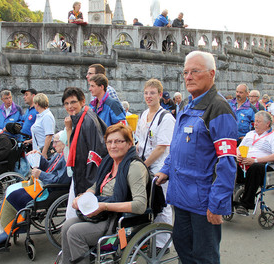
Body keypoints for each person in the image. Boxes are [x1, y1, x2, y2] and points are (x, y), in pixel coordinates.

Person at [156, 51, 238, 264]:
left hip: (204, 202)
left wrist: (217, 203)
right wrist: (166, 169)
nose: (188, 76)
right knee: (184, 250)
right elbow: (176, 146)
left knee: (204, 257)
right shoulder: (185, 104)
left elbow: (227, 160)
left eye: (195, 71)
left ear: (211, 74)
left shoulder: (219, 108)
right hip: (181, 197)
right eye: (185, 72)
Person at [61, 123, 149, 264]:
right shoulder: (109, 162)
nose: (113, 146)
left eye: (118, 141)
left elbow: (140, 205)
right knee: (67, 225)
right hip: (103, 214)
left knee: (74, 233)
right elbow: (97, 186)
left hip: (119, 221)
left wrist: (104, 206)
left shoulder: (134, 167)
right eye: (109, 142)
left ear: (129, 143)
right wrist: (84, 197)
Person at [0, 130, 71, 249]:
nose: (53, 145)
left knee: (14, 196)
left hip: (49, 190)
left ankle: (0, 235)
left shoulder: (67, 158)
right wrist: (39, 157)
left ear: (64, 143)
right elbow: (49, 167)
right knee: (11, 190)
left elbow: (59, 181)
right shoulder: (60, 154)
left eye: (56, 142)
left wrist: (40, 174)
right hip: (42, 185)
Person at [136, 78, 175, 253]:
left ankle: (163, 244)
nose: (149, 96)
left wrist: (144, 165)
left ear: (160, 95)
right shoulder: (144, 115)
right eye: (146, 93)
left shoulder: (165, 118)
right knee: (147, 203)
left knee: (162, 205)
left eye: (152, 93)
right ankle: (149, 237)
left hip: (159, 166)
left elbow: (161, 148)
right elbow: (140, 141)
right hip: (144, 164)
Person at [62, 87, 107, 219]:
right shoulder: (79, 118)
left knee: (74, 215)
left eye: (73, 102)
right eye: (66, 103)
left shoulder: (88, 121)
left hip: (86, 177)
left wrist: (90, 184)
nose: (70, 106)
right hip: (80, 173)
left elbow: (96, 154)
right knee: (72, 213)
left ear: (82, 102)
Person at [235, 111, 274, 215]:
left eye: (258, 122)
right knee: (228, 163)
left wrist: (255, 160)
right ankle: (226, 199)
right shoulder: (250, 134)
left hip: (261, 166)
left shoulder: (272, 136)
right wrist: (238, 154)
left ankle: (245, 204)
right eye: (255, 121)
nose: (255, 124)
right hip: (244, 164)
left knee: (255, 167)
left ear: (267, 124)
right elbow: (238, 148)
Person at [25, 93, 55, 159]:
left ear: (37, 104)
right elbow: (41, 133)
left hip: (44, 151)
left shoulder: (47, 116)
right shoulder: (40, 116)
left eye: (34, 103)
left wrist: (44, 152)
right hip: (38, 151)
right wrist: (30, 140)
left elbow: (49, 135)